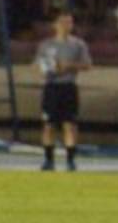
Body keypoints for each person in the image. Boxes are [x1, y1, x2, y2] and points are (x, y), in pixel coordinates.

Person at [35, 10, 92, 172]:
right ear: (55, 25)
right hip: (51, 86)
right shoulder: (46, 45)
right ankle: (48, 160)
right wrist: (48, 68)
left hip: (68, 87)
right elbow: (39, 65)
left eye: (69, 23)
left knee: (70, 124)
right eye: (63, 22)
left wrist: (69, 65)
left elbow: (87, 65)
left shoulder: (78, 44)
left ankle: (70, 161)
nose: (66, 26)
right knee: (48, 124)